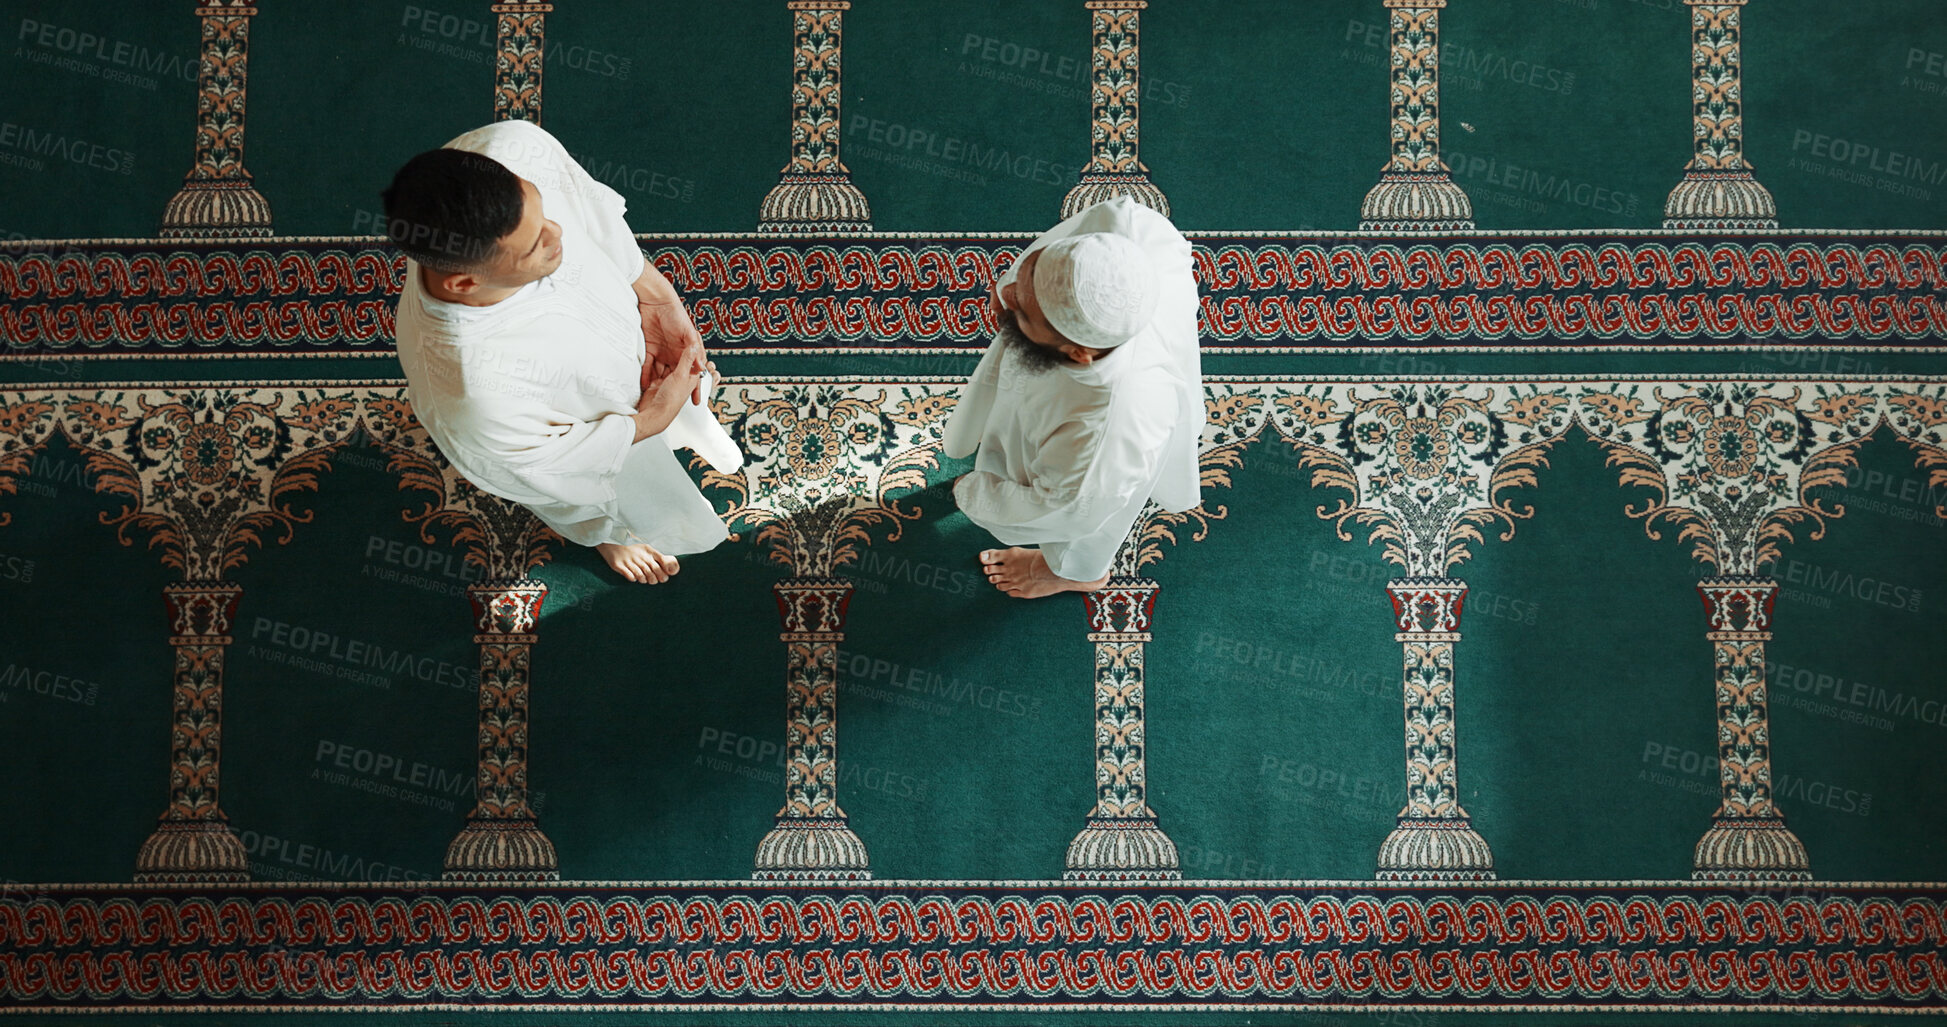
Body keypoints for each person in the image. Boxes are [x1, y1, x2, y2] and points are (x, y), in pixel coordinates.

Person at [383, 119, 741, 584]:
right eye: (536, 244)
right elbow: (559, 468)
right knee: (599, 495)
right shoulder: (474, 396)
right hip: (570, 433)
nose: (558, 233)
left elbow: (593, 214)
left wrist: (655, 297)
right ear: (466, 283)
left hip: (624, 345)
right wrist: (655, 414)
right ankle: (611, 534)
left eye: (543, 210)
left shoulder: (510, 146)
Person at [943, 195, 1203, 599]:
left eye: (1022, 309)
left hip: (1092, 456)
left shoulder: (1114, 433)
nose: (1005, 297)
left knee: (1085, 537)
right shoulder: (1127, 232)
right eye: (1024, 278)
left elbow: (1067, 509)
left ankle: (1073, 573)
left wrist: (977, 495)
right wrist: (1016, 285)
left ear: (1079, 353)